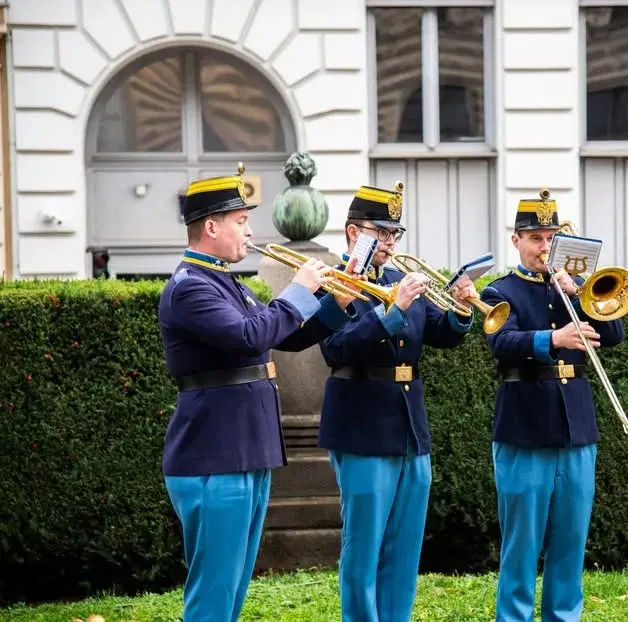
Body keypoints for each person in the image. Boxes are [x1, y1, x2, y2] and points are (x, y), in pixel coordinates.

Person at [158, 169, 357, 622]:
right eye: (242, 221)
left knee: (233, 587)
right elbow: (252, 335)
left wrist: (334, 305)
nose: (250, 232)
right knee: (213, 591)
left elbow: (283, 336)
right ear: (212, 226)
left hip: (244, 450)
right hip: (214, 456)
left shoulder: (225, 282)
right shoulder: (191, 288)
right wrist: (299, 289)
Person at [317, 182, 480, 621]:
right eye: (382, 232)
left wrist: (462, 310)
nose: (390, 243)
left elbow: (439, 333)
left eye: (395, 234)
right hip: (362, 425)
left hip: (409, 425)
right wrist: (391, 313)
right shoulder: (331, 282)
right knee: (363, 546)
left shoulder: (396, 279)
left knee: (405, 545)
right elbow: (334, 349)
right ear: (354, 233)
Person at [478, 192, 625, 621]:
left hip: (576, 429)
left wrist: (578, 292)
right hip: (524, 429)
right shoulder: (499, 290)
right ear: (516, 241)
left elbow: (613, 335)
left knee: (569, 545)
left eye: (550, 238)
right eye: (536, 238)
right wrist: (553, 340)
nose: (544, 247)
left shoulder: (572, 288)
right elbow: (500, 344)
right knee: (520, 548)